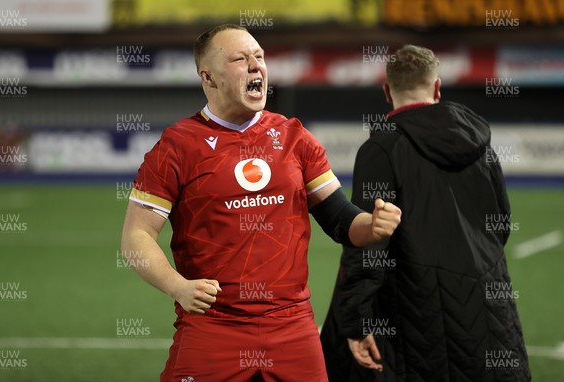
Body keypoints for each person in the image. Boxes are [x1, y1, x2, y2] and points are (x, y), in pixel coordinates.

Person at [120, 24, 401, 382]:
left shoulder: (295, 138)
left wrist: (371, 226)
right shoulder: (177, 146)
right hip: (213, 326)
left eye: (260, 57)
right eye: (240, 59)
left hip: (292, 326)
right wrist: (178, 287)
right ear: (208, 77)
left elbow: (341, 221)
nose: (256, 66)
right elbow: (136, 237)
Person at [320, 45, 531, 381]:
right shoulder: (480, 143)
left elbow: (369, 242)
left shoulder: (381, 148)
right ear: (437, 87)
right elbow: (500, 222)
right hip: (487, 299)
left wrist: (355, 321)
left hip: (414, 310)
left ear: (387, 92)